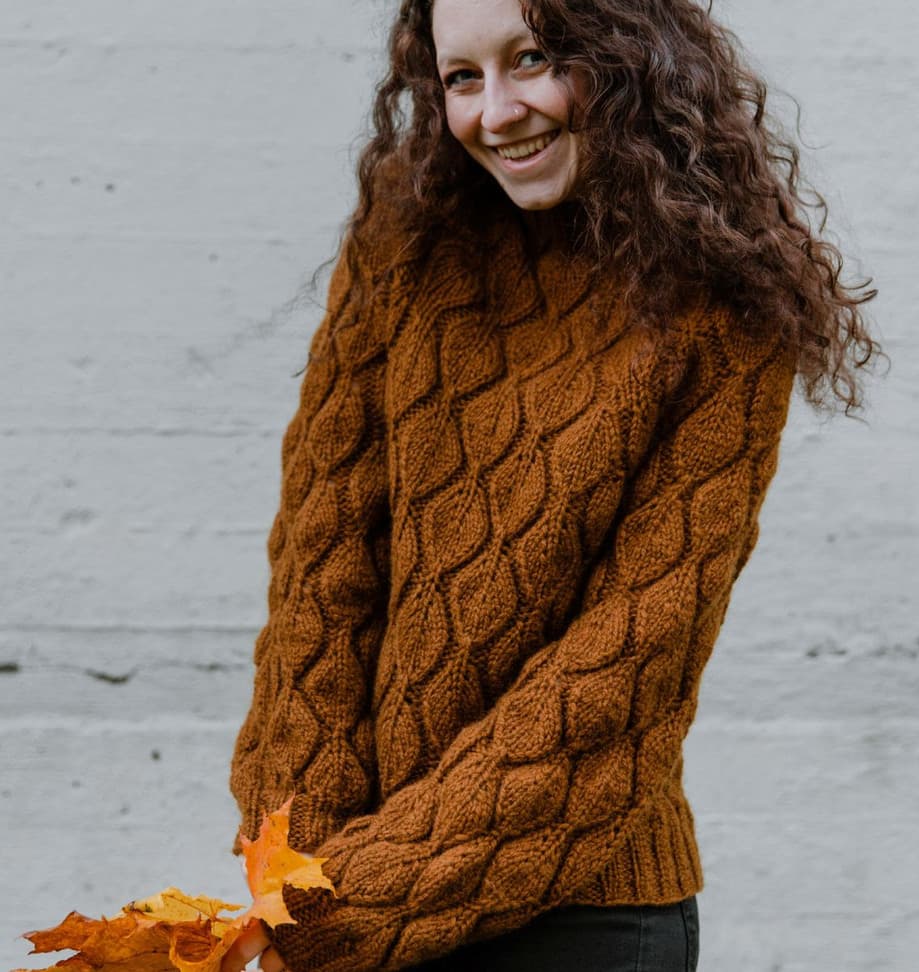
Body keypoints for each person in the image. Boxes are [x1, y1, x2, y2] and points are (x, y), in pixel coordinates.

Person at [222, 0, 880, 970]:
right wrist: (296, 869)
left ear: (626, 56)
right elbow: (322, 575)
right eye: (462, 77)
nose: (496, 112)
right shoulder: (408, 239)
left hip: (583, 922)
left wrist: (346, 906)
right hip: (345, 893)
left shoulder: (725, 304)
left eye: (532, 59)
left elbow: (624, 669)